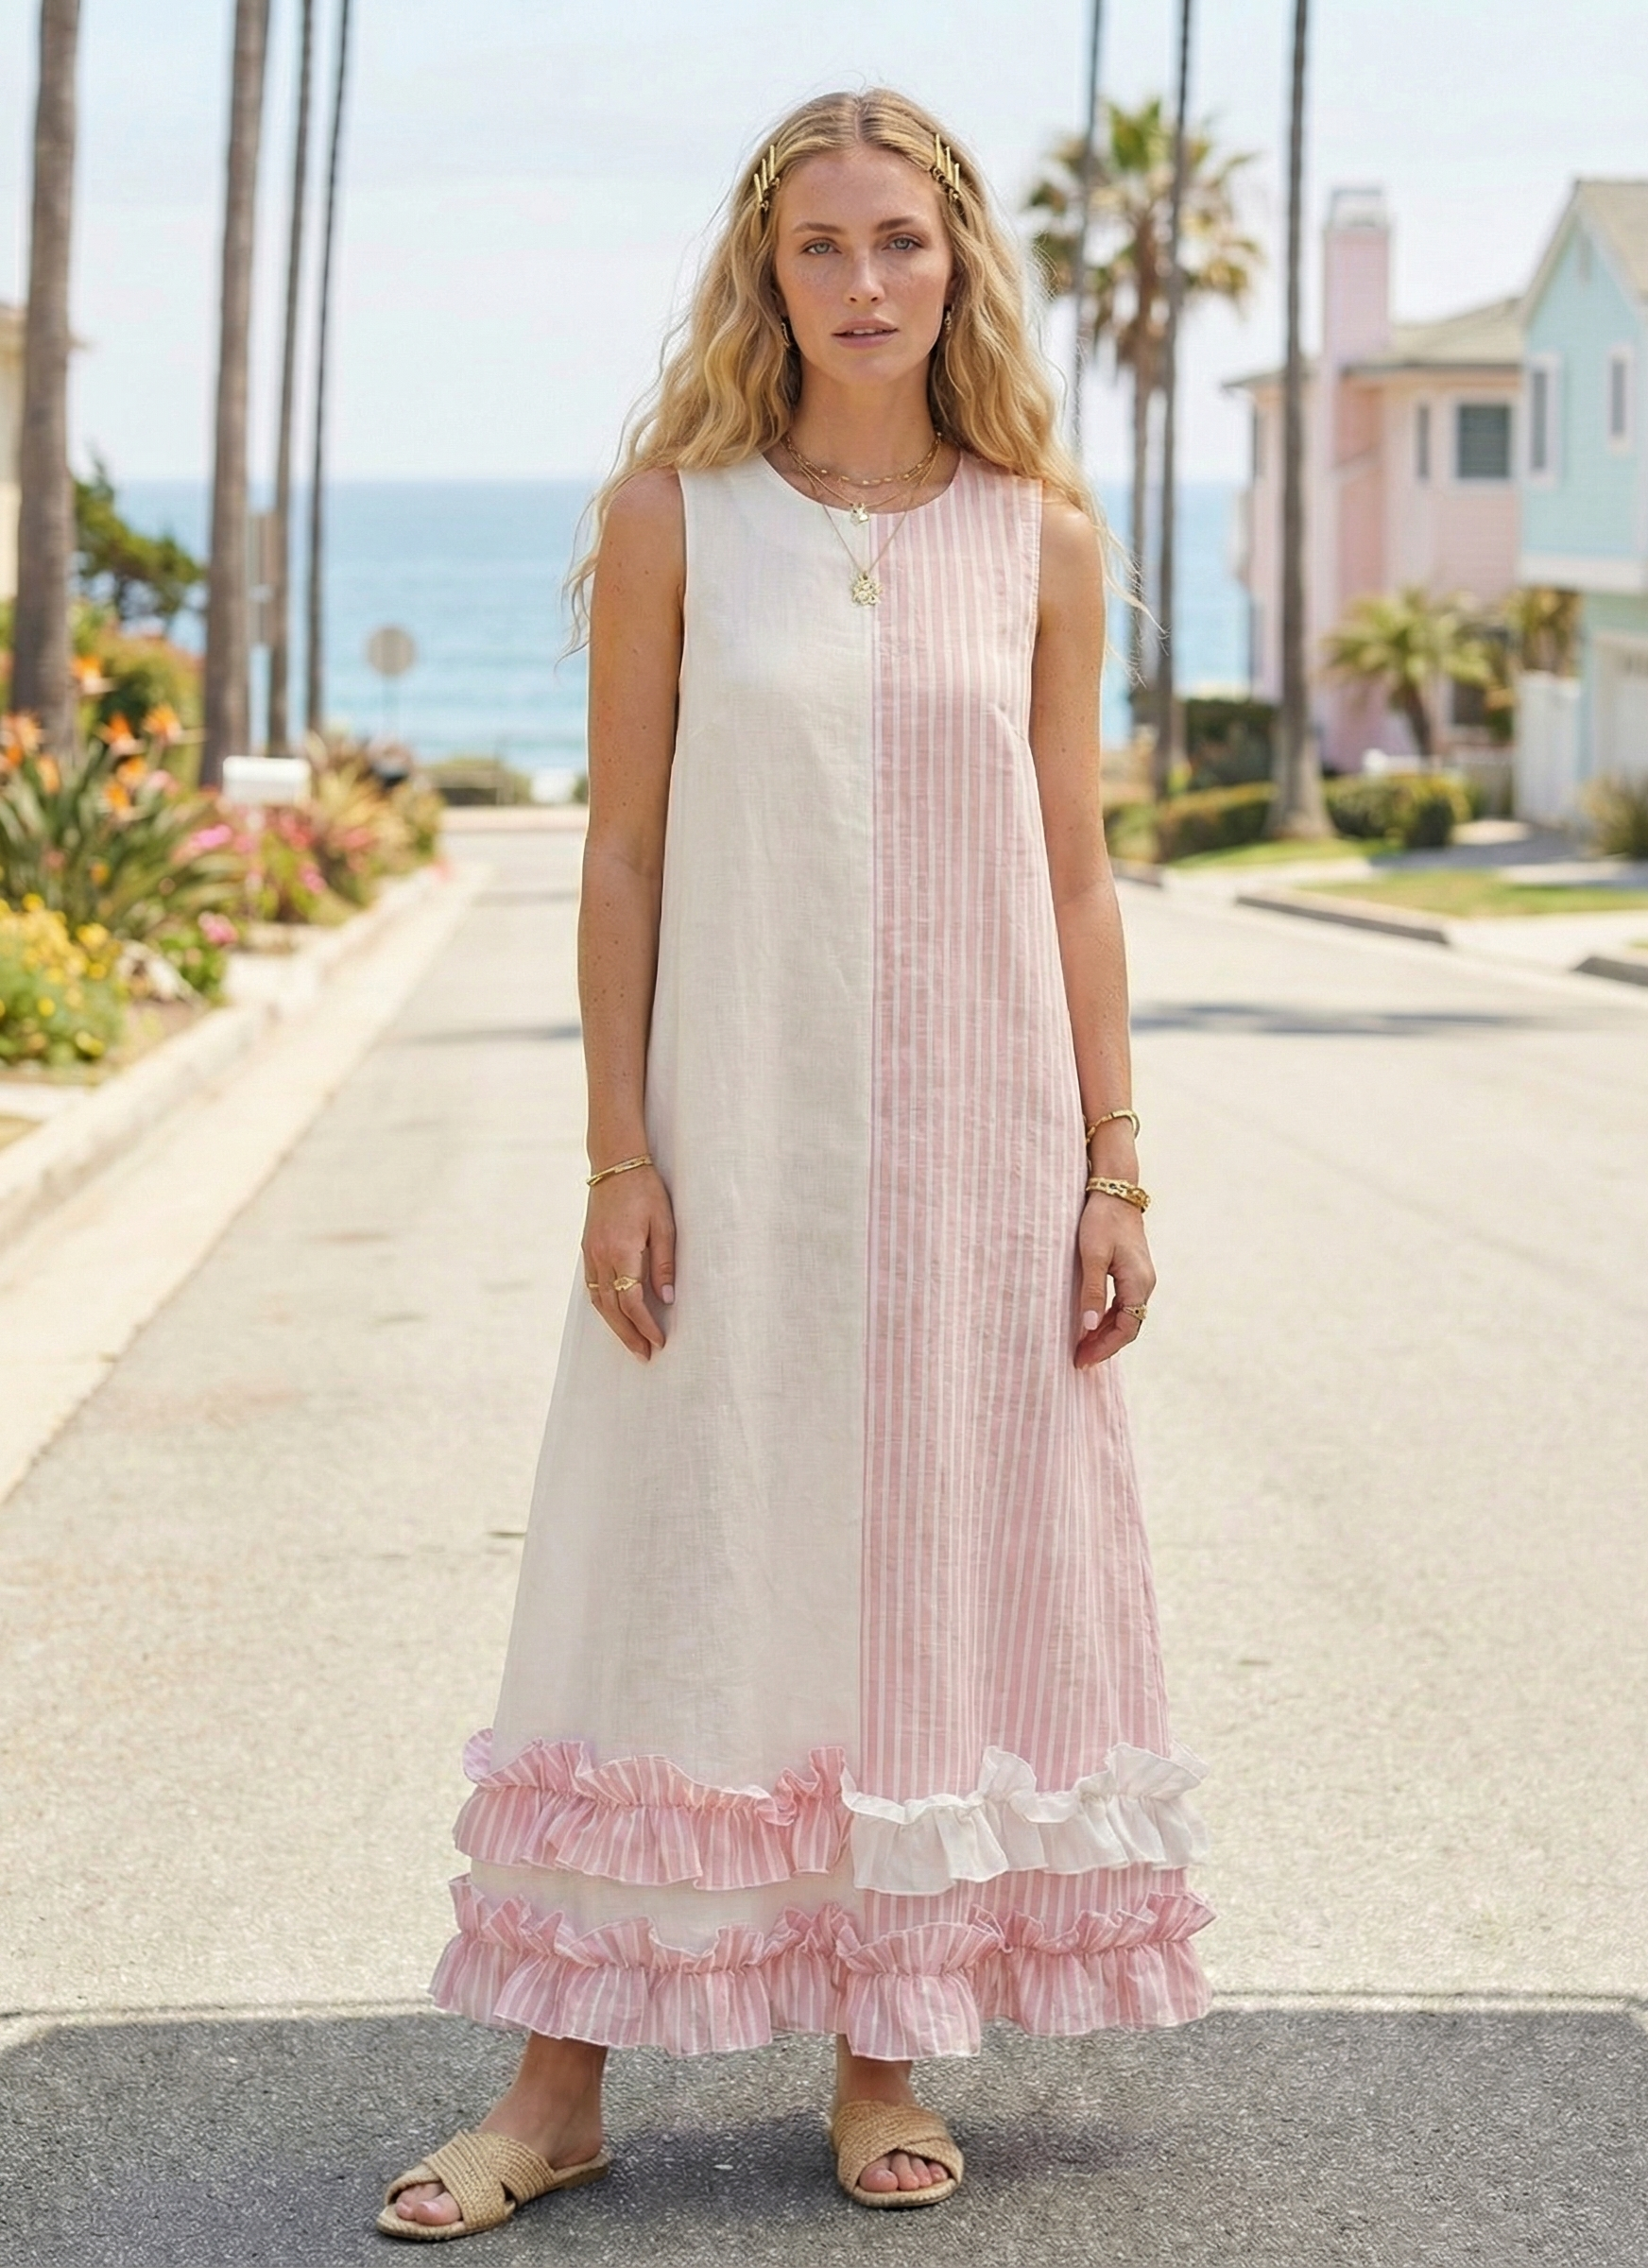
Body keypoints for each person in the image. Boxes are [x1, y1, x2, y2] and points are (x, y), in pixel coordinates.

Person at [379, 86, 1210, 2242]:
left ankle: (883, 2051)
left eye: (900, 244)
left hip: (975, 1150)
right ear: (767, 268)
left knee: (922, 1568)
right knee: (672, 1555)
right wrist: (613, 1152)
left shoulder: (1036, 534)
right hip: (734, 1141)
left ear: (957, 268)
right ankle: (556, 2085)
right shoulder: (674, 515)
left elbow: (1075, 869)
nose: (862, 285)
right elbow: (627, 846)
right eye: (822, 245)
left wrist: (1111, 1167)